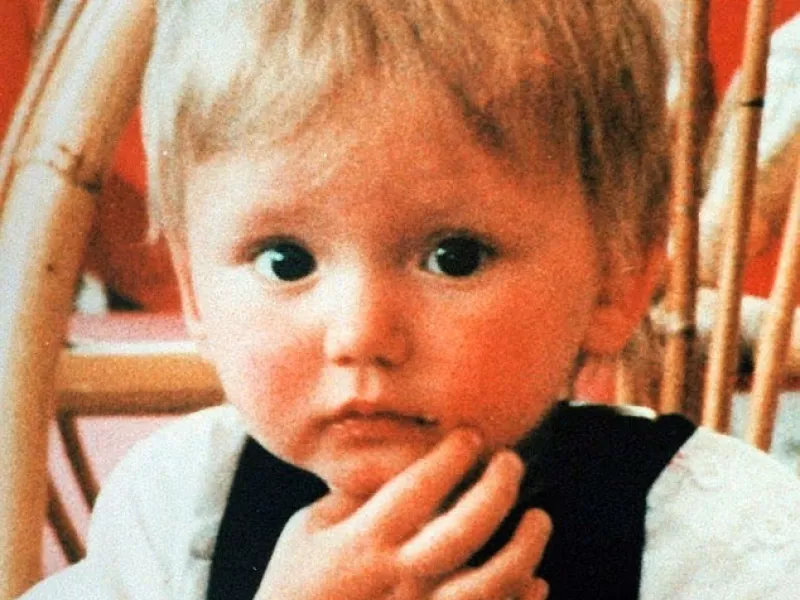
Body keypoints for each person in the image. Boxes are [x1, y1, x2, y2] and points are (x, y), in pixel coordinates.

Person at [22, 0, 800, 598]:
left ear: (616, 279)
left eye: (453, 257)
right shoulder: (176, 511)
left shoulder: (718, 539)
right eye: (286, 260)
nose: (361, 334)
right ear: (194, 289)